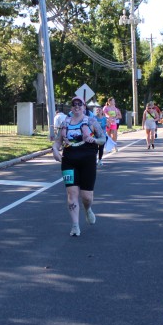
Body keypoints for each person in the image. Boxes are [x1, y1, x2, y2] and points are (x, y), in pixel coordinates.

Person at [51, 97, 106, 236]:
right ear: (71, 107)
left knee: (86, 196)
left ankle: (87, 209)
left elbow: (103, 139)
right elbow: (58, 141)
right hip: (69, 161)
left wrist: (94, 140)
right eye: (74, 104)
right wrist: (55, 149)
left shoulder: (91, 121)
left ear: (84, 106)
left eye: (79, 104)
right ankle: (75, 226)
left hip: (87, 160)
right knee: (72, 193)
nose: (76, 106)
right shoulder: (65, 123)